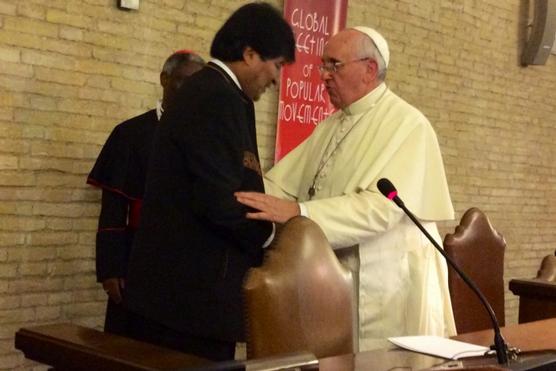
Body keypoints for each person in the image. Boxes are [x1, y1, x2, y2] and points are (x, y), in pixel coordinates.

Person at [235, 27, 456, 351]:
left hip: (388, 280)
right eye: (322, 66)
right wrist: (242, 191)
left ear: (369, 69)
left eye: (333, 65)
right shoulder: (331, 125)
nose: (323, 76)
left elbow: (381, 209)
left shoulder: (408, 124)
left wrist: (301, 213)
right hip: (334, 276)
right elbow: (285, 184)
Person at [124, 2, 295, 361]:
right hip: (186, 301)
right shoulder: (214, 97)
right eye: (276, 64)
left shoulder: (226, 95)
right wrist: (275, 237)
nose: (277, 78)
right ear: (249, 53)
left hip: (192, 300)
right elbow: (218, 200)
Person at [87, 51, 205, 337]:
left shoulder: (209, 137)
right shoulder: (131, 133)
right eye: (183, 81)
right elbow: (113, 209)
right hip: (136, 257)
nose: (190, 91)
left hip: (188, 264)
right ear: (164, 79)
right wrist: (110, 269)